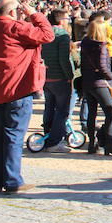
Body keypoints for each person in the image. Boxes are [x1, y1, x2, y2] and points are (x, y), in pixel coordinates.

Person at [0, 0, 54, 193]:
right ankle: (12, 180)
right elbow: (47, 35)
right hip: (18, 89)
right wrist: (34, 14)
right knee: (13, 135)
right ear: (13, 12)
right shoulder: (16, 28)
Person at [81, 20, 112, 156]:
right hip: (100, 82)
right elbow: (103, 66)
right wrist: (110, 76)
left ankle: (92, 143)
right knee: (110, 112)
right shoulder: (101, 46)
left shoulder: (85, 43)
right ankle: (109, 144)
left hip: (87, 82)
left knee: (92, 113)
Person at [40, 9, 74, 152]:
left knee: (49, 107)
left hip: (45, 76)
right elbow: (64, 60)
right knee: (61, 111)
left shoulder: (43, 34)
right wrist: (69, 76)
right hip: (59, 78)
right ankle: (54, 142)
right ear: (61, 21)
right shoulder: (62, 36)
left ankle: (47, 135)